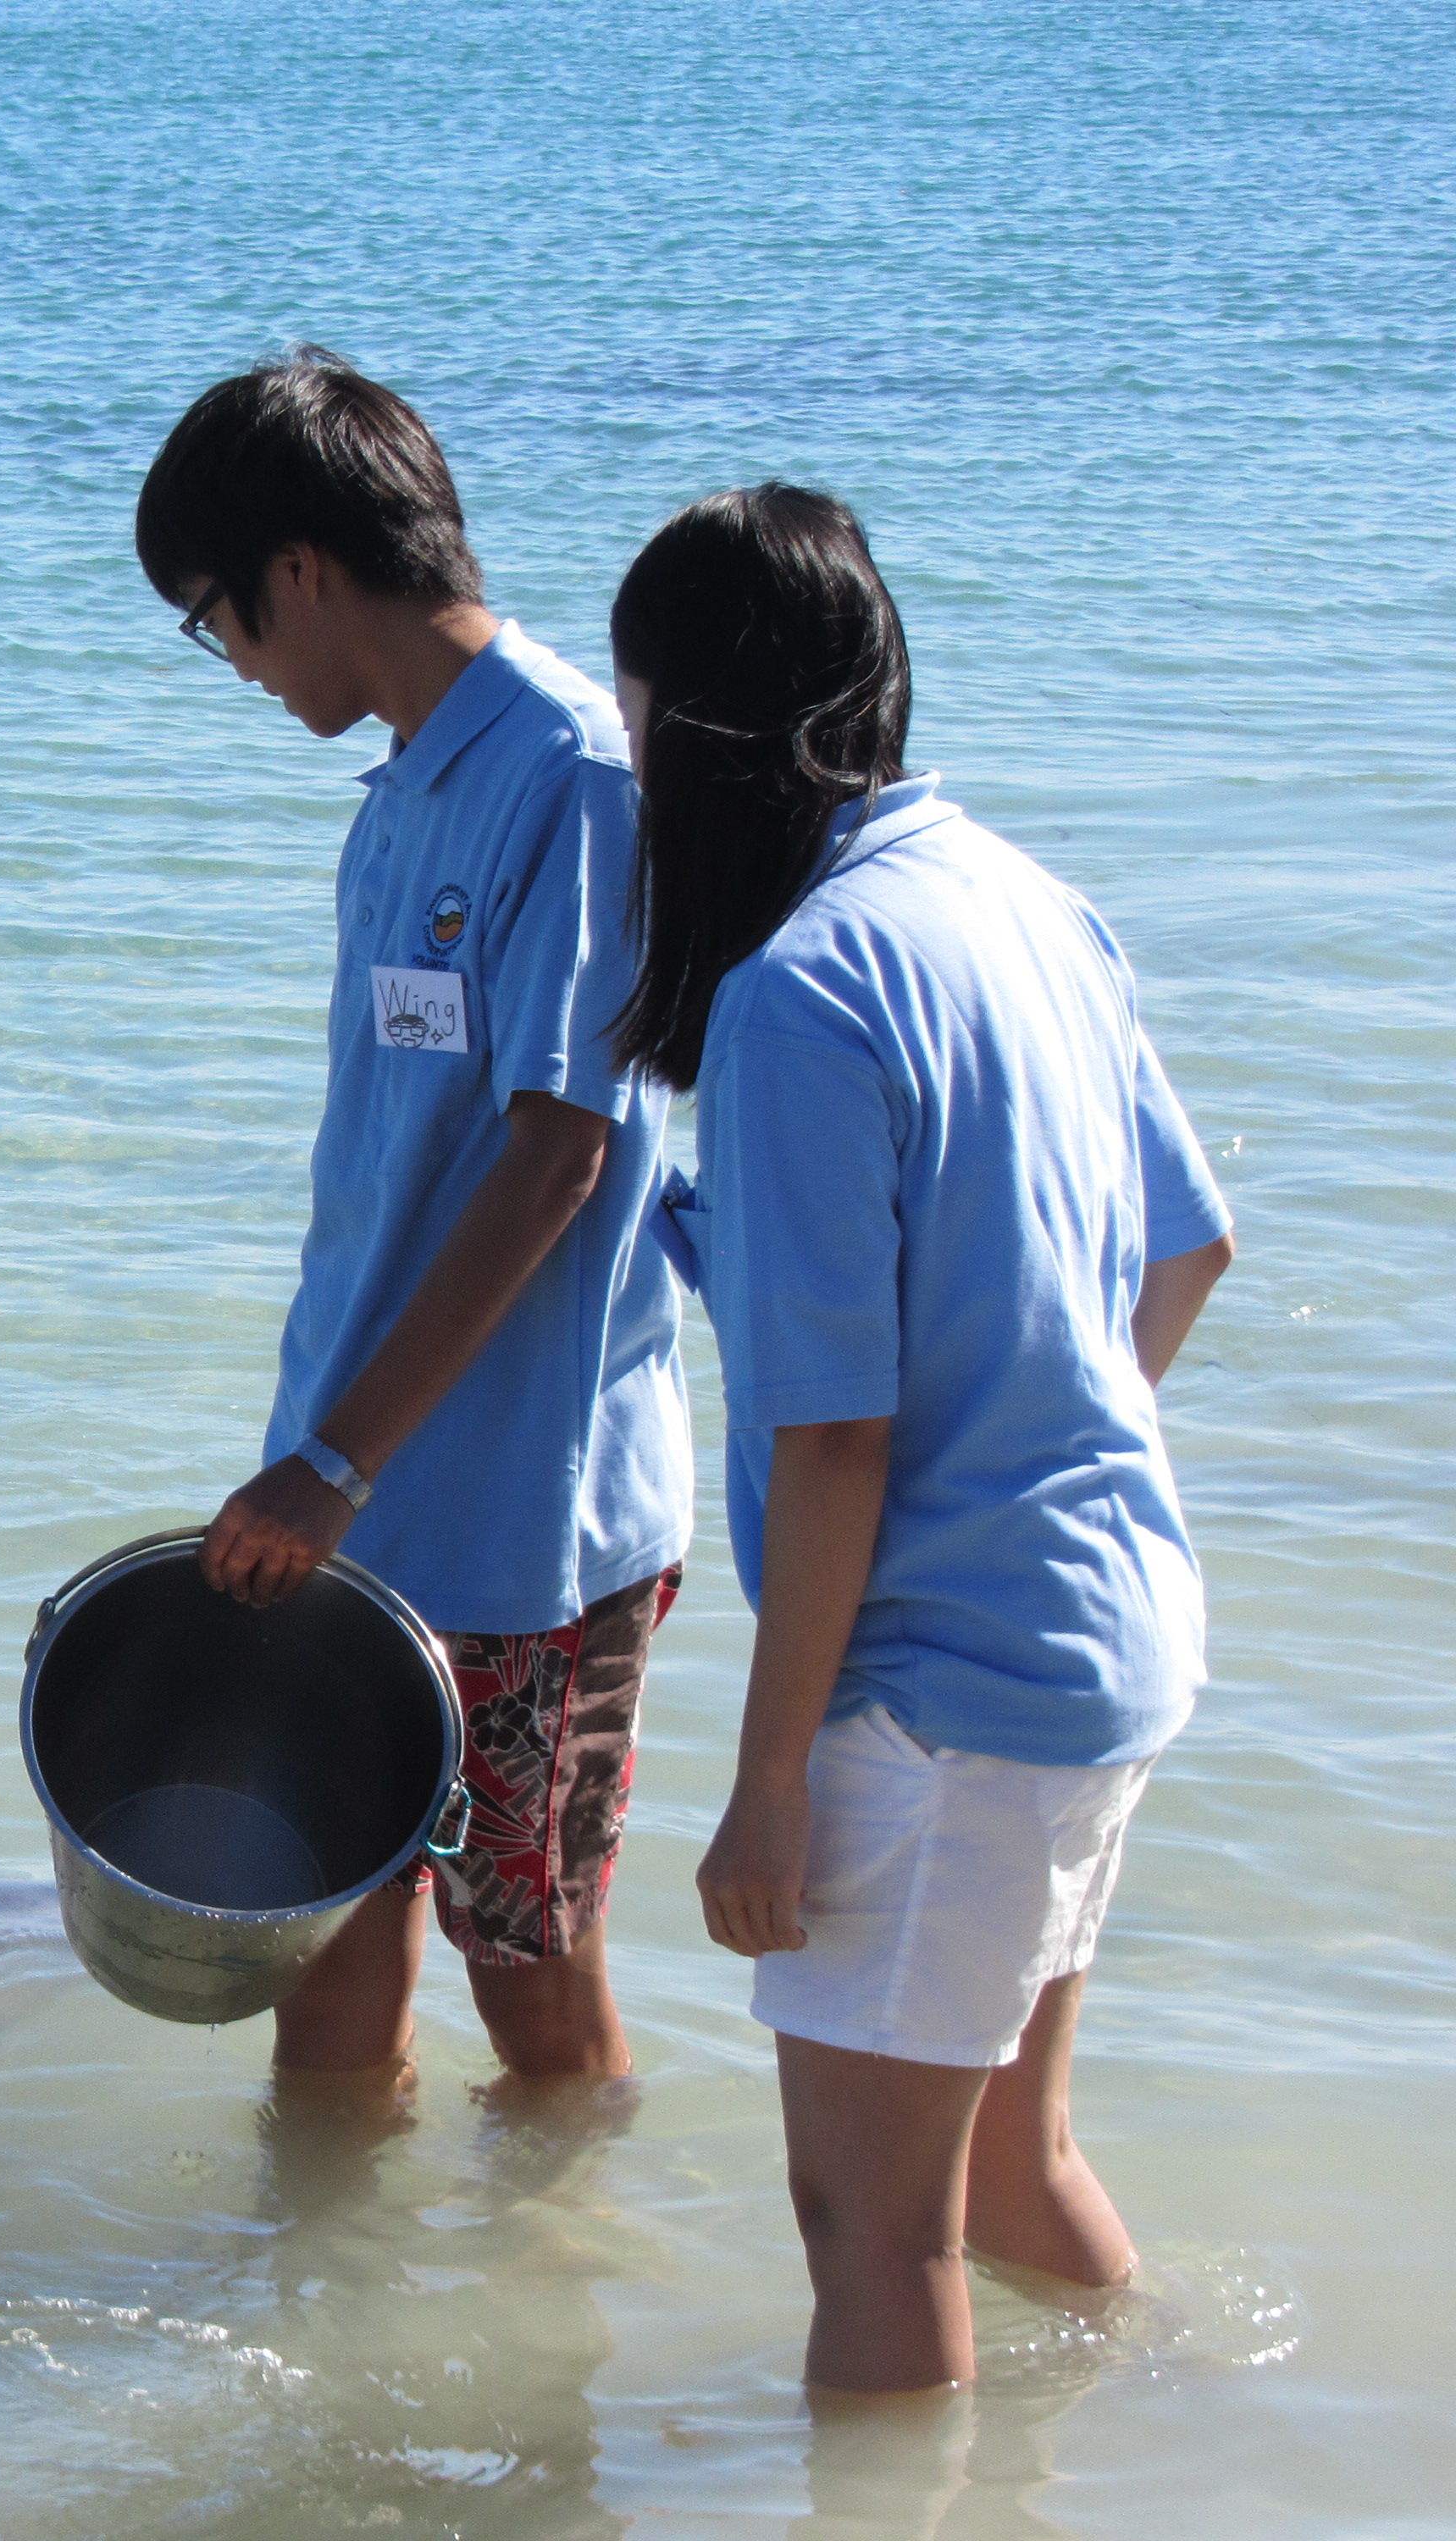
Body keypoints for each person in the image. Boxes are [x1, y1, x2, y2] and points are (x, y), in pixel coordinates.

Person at [611, 484, 1236, 2395]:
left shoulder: (803, 995)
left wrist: (770, 1778)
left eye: (635, 721)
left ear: (705, 735)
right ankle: (1176, 2453)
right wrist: (1047, 1445)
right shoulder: (1024, 899)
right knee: (1009, 2165)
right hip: (1106, 1628)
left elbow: (835, 1447)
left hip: (939, 1698)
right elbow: (1189, 1248)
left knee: (869, 2236)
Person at [134, 352, 691, 2088]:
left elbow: (556, 1159)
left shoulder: (571, 783)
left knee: (524, 1984)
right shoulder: (399, 790)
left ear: (298, 571)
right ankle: (311, 2331)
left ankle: (557, 2346)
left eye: (214, 621)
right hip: (353, 1500)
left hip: (518, 1521)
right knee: (319, 1951)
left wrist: (335, 1463)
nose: (229, 665)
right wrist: (317, 1462)